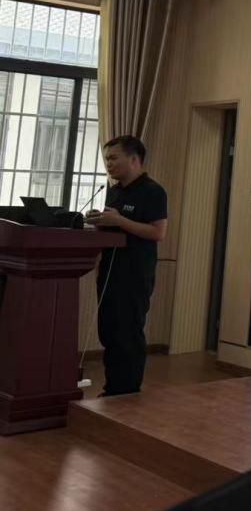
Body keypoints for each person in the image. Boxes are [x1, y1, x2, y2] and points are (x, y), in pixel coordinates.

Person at [86, 135, 168, 397]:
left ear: (133, 159)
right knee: (108, 331)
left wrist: (120, 220)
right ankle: (113, 387)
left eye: (113, 158)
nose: (108, 164)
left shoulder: (153, 191)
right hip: (109, 270)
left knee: (127, 332)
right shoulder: (115, 190)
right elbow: (114, 226)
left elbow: (157, 232)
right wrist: (99, 221)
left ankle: (128, 390)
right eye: (106, 159)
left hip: (134, 273)